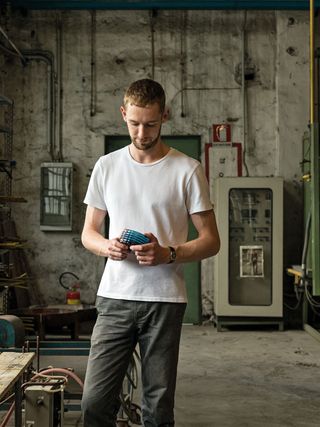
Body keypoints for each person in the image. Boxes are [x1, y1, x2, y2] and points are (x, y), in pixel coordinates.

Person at [81, 78, 220, 427]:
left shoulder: (187, 170)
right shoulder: (107, 166)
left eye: (151, 124)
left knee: (157, 409)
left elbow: (211, 240)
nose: (142, 132)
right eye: (134, 123)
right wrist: (107, 245)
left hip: (165, 300)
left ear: (165, 117)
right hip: (114, 297)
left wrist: (168, 254)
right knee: (95, 404)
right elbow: (88, 233)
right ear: (123, 114)